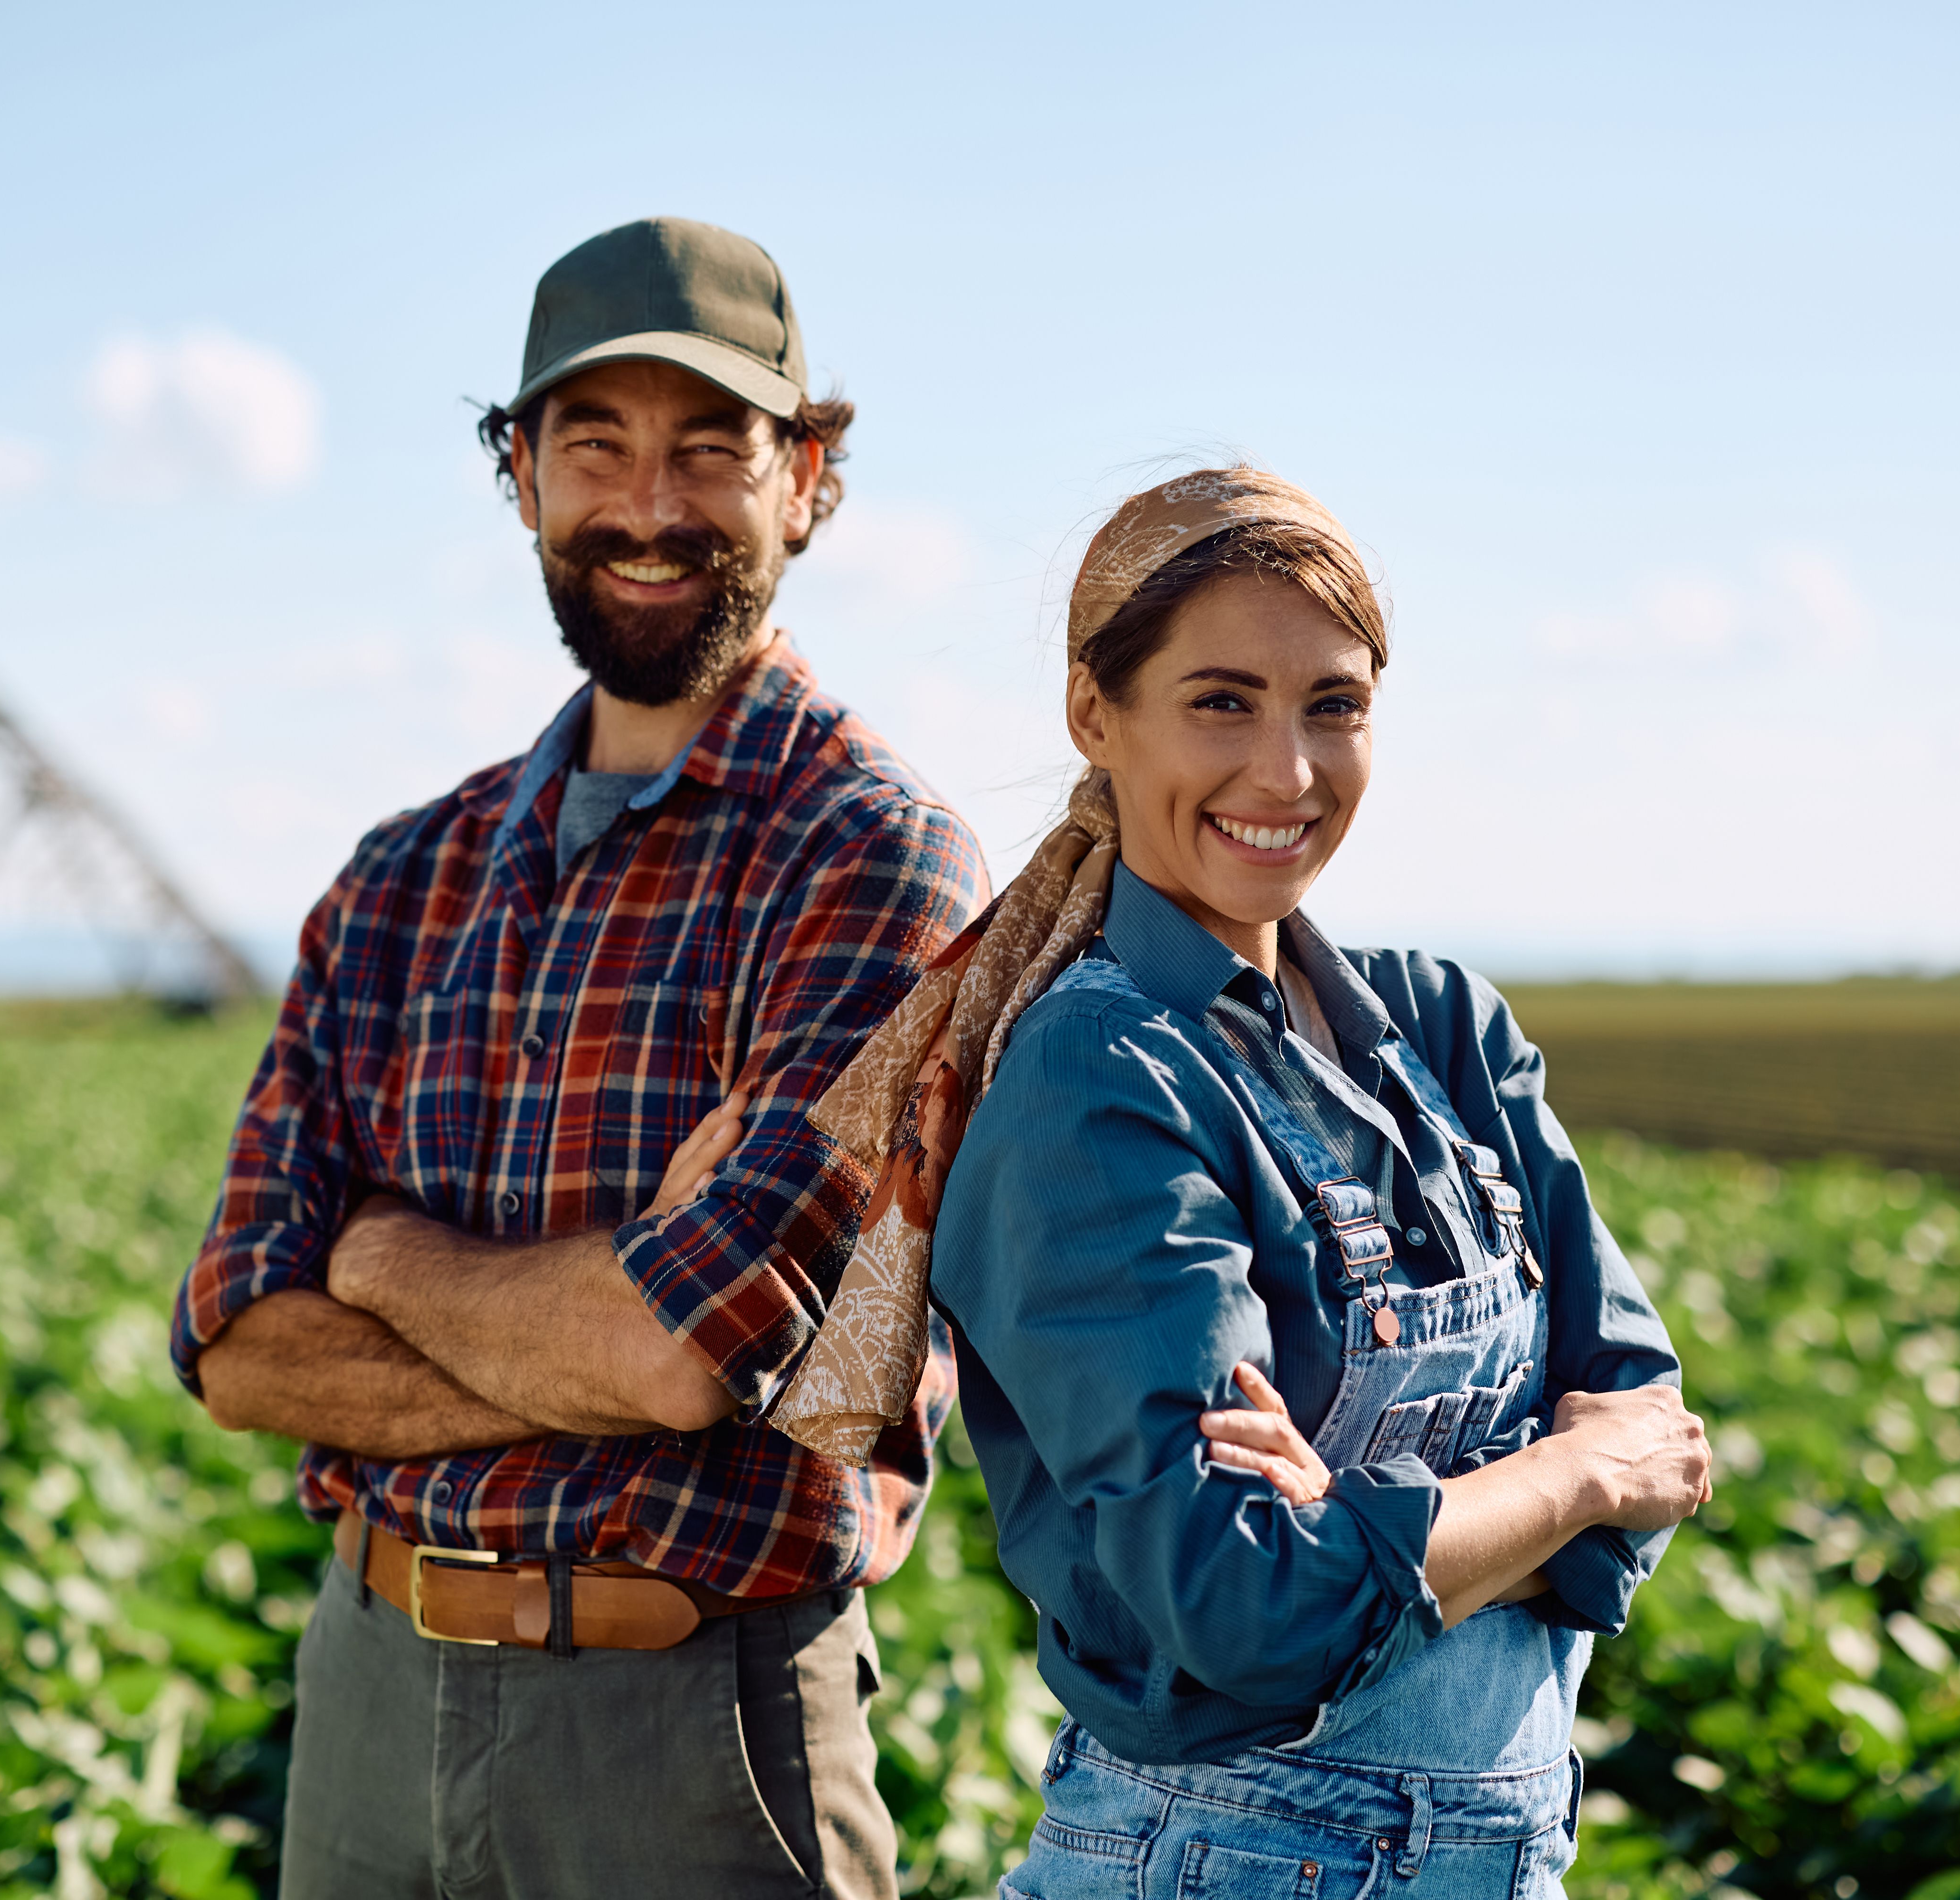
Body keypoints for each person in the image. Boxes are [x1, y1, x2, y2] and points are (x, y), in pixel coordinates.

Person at [170, 217, 989, 1900]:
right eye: (593, 444)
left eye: (712, 447)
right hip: (369, 1695)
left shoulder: (875, 863)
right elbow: (240, 1342)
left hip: (689, 1726)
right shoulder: (404, 876)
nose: (649, 503)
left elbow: (682, 1362)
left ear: (809, 481)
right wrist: (601, 1337)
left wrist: (382, 1256)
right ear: (521, 477)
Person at [792, 468, 1711, 1898]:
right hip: (1217, 1857)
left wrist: (1384, 1525)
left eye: (1333, 706)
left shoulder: (1448, 1030)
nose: (1288, 771)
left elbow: (1658, 1438)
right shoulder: (1098, 1078)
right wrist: (1566, 1475)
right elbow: (1246, 1606)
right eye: (1222, 701)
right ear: (1098, 716)